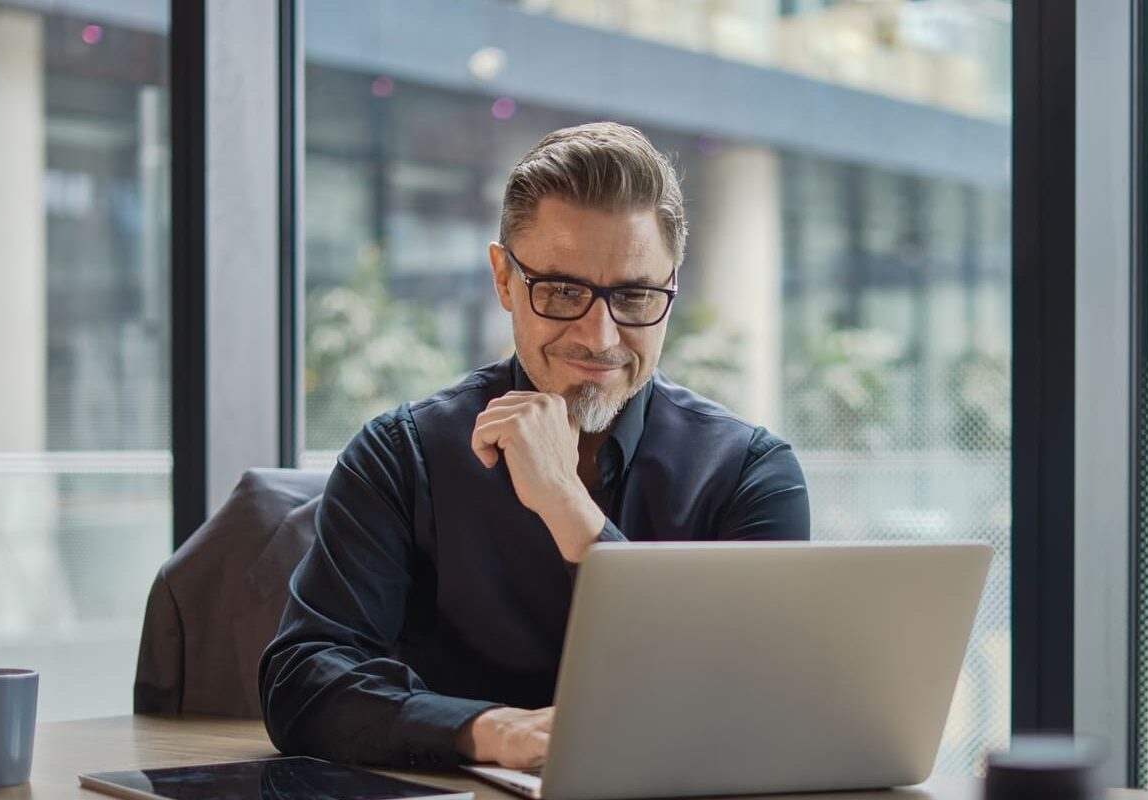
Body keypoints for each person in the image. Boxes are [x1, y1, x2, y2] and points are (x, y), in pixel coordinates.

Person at [259, 122, 810, 771]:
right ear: (503, 279)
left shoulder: (750, 474)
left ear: (671, 287)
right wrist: (488, 732)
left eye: (634, 295)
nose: (599, 336)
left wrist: (566, 507)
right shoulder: (402, 454)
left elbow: (754, 702)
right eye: (561, 291)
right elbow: (301, 683)